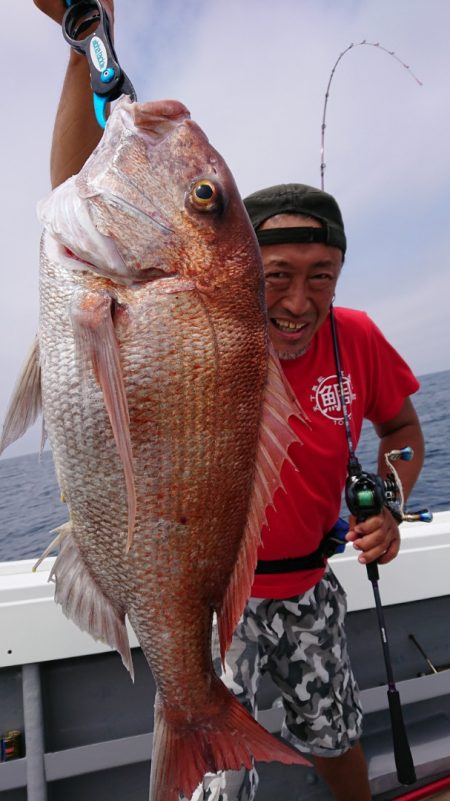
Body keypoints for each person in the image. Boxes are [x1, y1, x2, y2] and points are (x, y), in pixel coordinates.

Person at [32, 3, 425, 800]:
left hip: (311, 586)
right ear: (242, 275)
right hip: (217, 614)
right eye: (276, 273)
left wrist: (392, 493)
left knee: (338, 735)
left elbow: (407, 430)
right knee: (216, 784)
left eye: (324, 274)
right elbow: (78, 185)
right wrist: (84, 50)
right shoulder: (198, 331)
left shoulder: (360, 340)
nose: (299, 296)